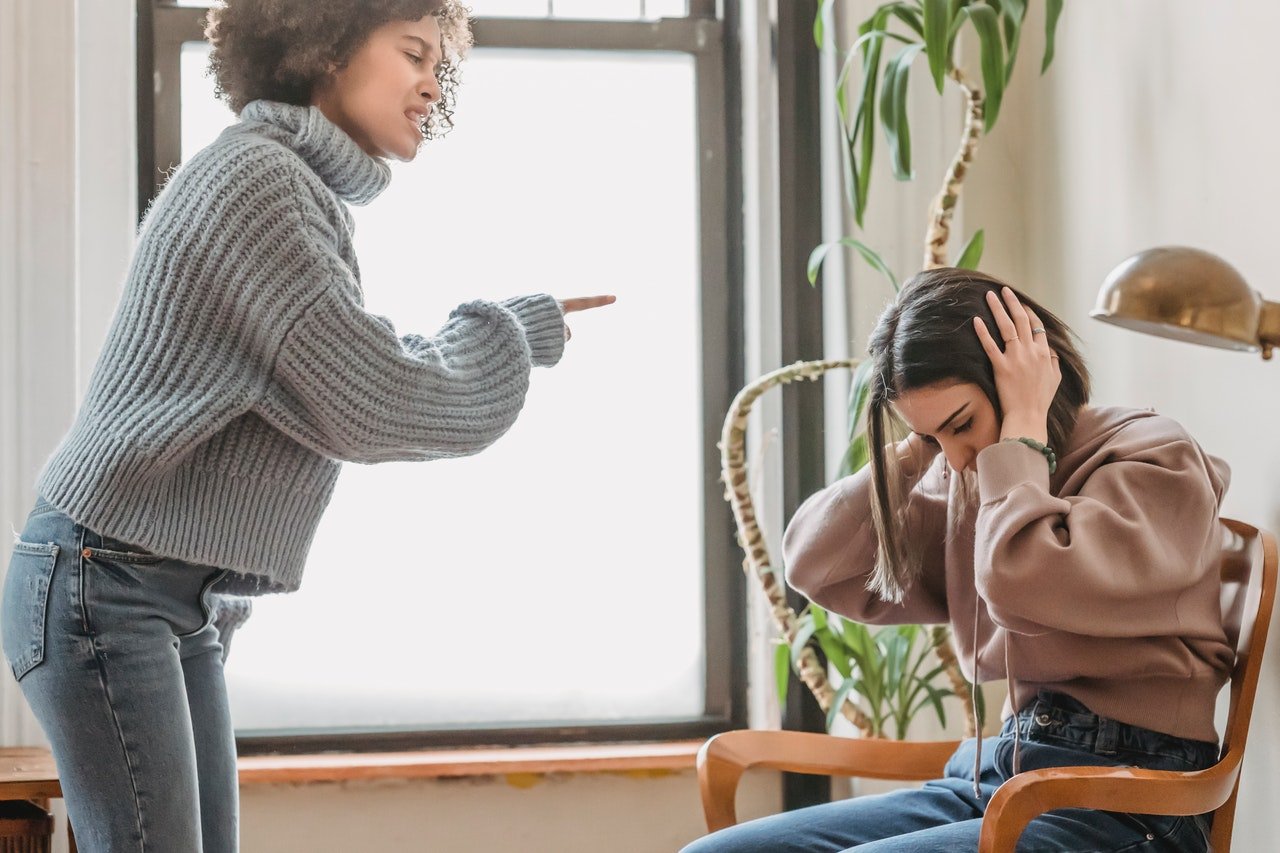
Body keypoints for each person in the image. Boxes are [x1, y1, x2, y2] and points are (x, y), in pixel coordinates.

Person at [1, 2, 613, 851]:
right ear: (323, 47)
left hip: (151, 590)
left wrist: (513, 328)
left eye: (442, 64)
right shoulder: (259, 184)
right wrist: (512, 330)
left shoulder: (289, 185)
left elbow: (344, 368)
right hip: (105, 587)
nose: (435, 84)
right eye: (412, 53)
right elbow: (373, 396)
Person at [683, 268, 1232, 853]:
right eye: (932, 437)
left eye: (962, 424)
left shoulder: (1151, 461)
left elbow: (1022, 585)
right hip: (1002, 776)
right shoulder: (979, 484)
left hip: (1132, 801)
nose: (958, 458)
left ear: (1028, 376)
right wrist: (912, 455)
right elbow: (814, 564)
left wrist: (1020, 435)